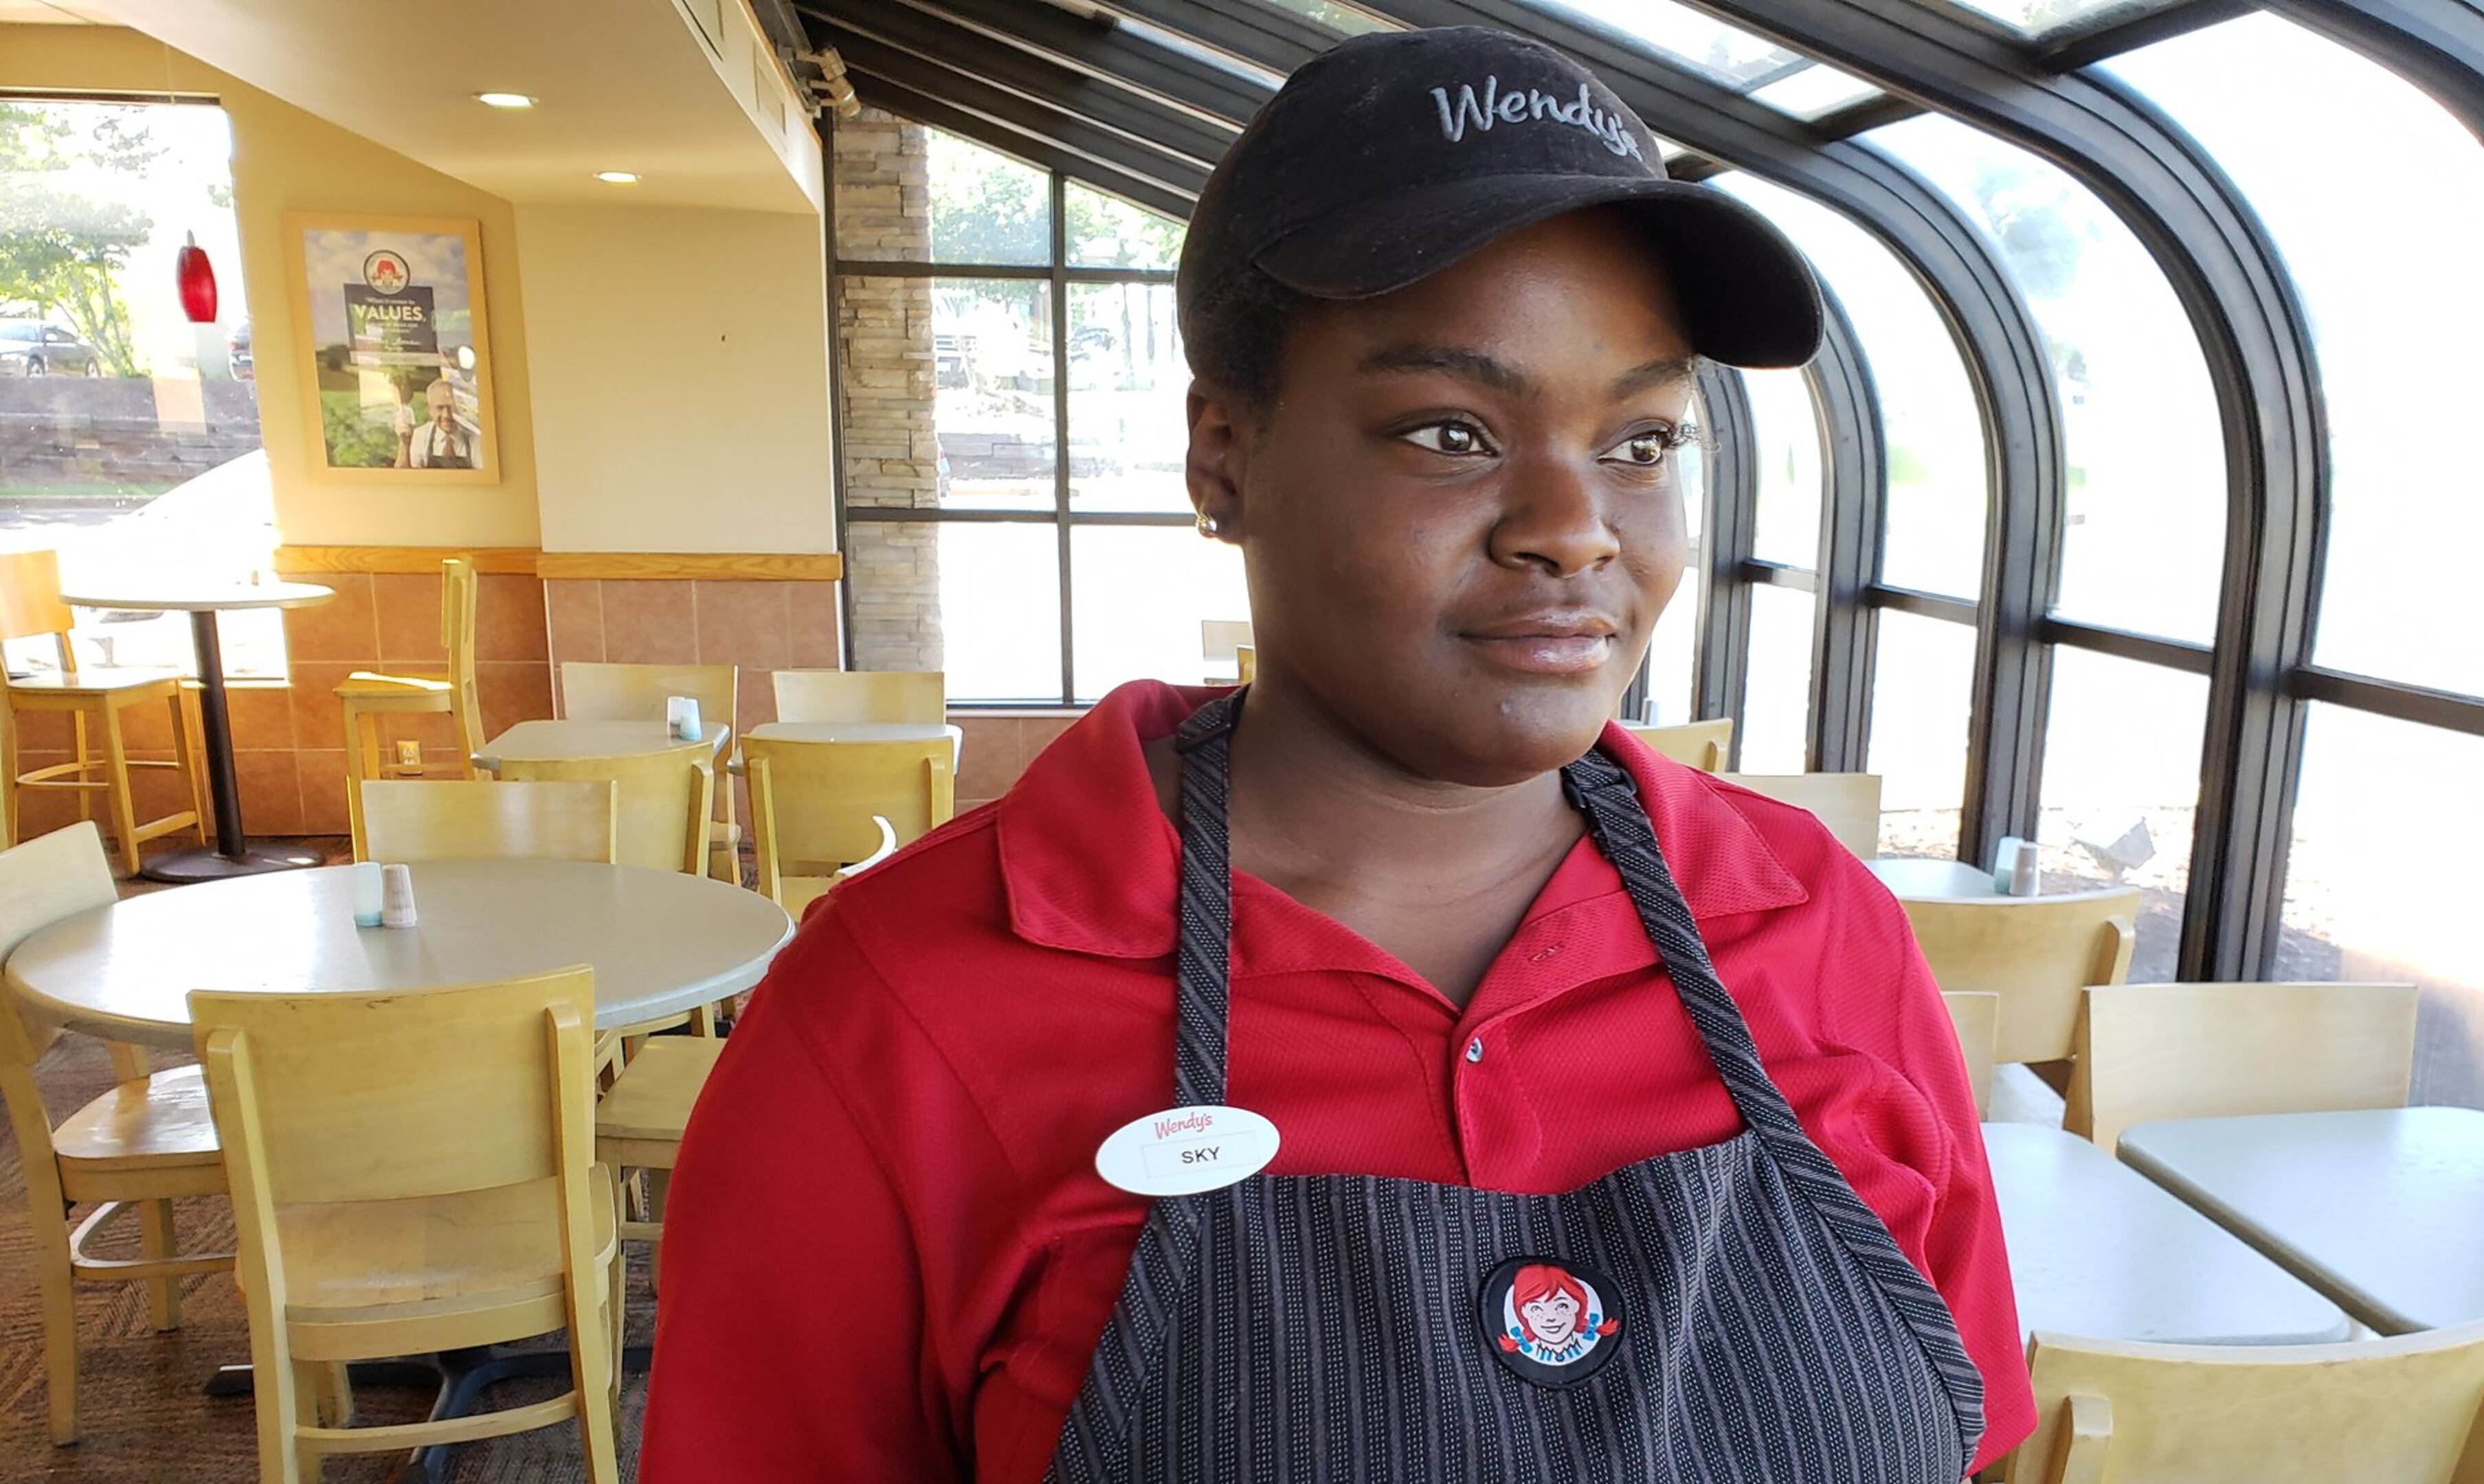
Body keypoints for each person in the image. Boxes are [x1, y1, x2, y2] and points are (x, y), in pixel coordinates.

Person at [640, 25, 2029, 1483]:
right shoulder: (897, 1010)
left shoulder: (1813, 924)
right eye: (1448, 431)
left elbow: (1971, 1433)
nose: (1572, 524)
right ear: (1224, 457)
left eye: (1640, 442)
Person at [394, 376, 477, 469]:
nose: (447, 415)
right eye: (440, 408)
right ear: (430, 410)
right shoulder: (420, 436)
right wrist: (404, 445)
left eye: (452, 408)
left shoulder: (475, 438)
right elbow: (408, 477)